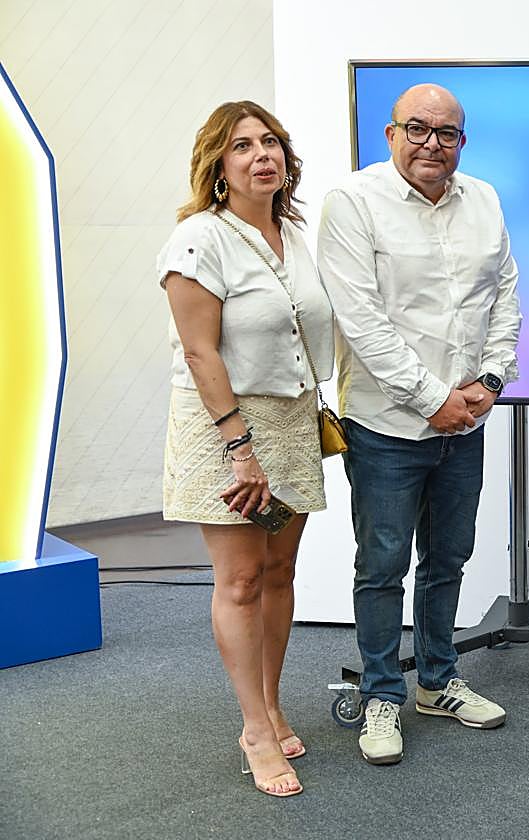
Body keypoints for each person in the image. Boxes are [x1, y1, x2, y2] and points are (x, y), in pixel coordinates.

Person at [318, 83, 521, 766]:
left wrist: (490, 381)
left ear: (462, 140)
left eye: (447, 132)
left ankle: (437, 681)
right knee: (382, 566)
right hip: (385, 426)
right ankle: (382, 692)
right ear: (390, 134)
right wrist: (433, 396)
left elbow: (507, 296)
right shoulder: (353, 203)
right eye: (418, 128)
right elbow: (362, 320)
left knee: (449, 558)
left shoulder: (484, 199)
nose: (432, 143)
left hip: (465, 421)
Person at [159, 101, 334, 797]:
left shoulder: (292, 233)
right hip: (224, 427)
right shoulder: (199, 239)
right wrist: (241, 448)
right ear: (219, 166)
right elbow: (201, 354)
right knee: (238, 580)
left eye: (271, 143)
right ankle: (255, 729)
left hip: (291, 421)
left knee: (281, 571)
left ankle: (270, 703)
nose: (262, 155)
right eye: (242, 146)